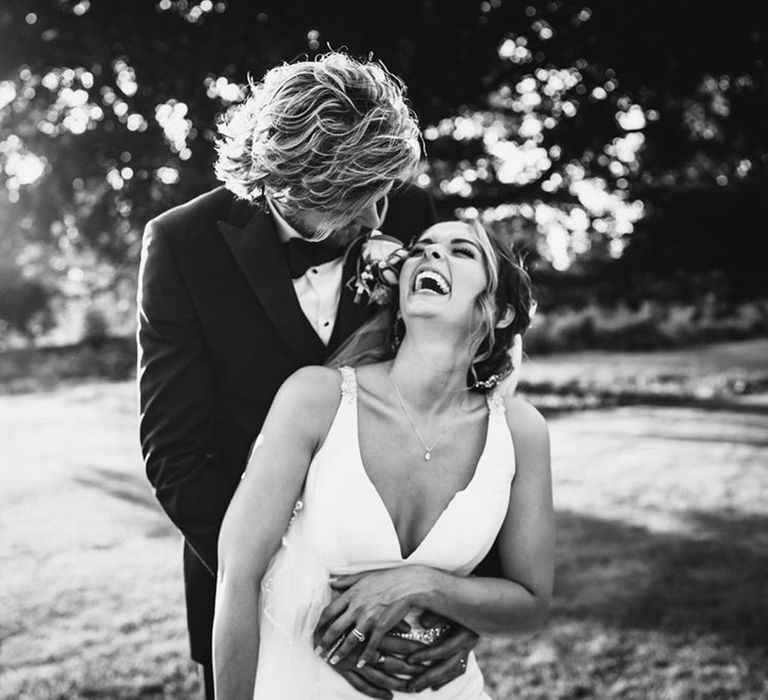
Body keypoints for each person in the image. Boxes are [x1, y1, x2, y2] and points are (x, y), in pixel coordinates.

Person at [138, 52, 482, 700]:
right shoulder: (183, 245)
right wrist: (293, 596)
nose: (383, 218)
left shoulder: (408, 211)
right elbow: (177, 456)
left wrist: (453, 593)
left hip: (392, 583)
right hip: (247, 593)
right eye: (362, 197)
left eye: (387, 191)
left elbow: (456, 398)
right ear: (297, 182)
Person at [213, 220, 554, 699]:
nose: (430, 256)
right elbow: (237, 577)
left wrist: (422, 584)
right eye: (422, 247)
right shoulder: (316, 397)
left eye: (460, 250)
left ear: (498, 312)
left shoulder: (520, 432)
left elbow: (531, 607)